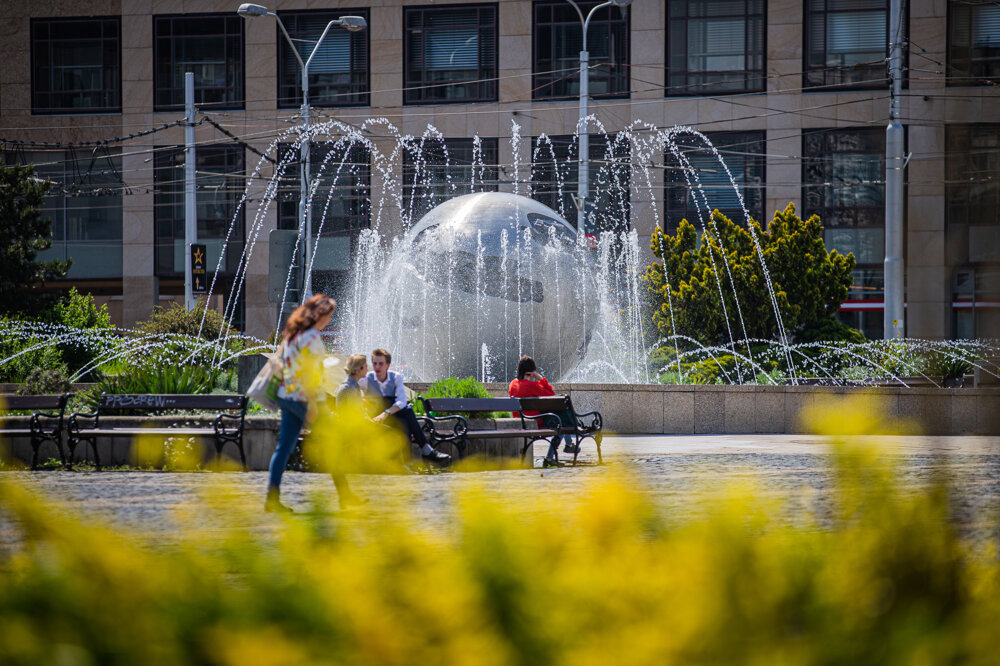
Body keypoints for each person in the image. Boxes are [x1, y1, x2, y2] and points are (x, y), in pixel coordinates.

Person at [265, 294, 336, 513]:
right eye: (328, 315)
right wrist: (314, 404)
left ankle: (272, 498)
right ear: (319, 314)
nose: (330, 320)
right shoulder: (312, 337)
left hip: (286, 396)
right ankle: (347, 495)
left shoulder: (293, 334)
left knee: (283, 448)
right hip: (304, 399)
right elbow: (309, 373)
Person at [362, 348, 451, 466]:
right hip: (376, 418)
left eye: (381, 364)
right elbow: (350, 391)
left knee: (404, 417)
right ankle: (425, 451)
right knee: (406, 415)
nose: (377, 367)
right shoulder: (367, 379)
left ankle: (408, 463)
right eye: (375, 363)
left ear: (388, 365)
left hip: (389, 416)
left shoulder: (395, 377)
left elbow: (402, 402)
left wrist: (386, 413)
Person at [508, 355, 578, 468]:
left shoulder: (512, 384)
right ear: (531, 372)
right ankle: (550, 458)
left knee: (560, 419)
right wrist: (539, 377)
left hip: (520, 419)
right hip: (537, 420)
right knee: (561, 423)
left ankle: (569, 444)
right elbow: (551, 394)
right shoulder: (532, 386)